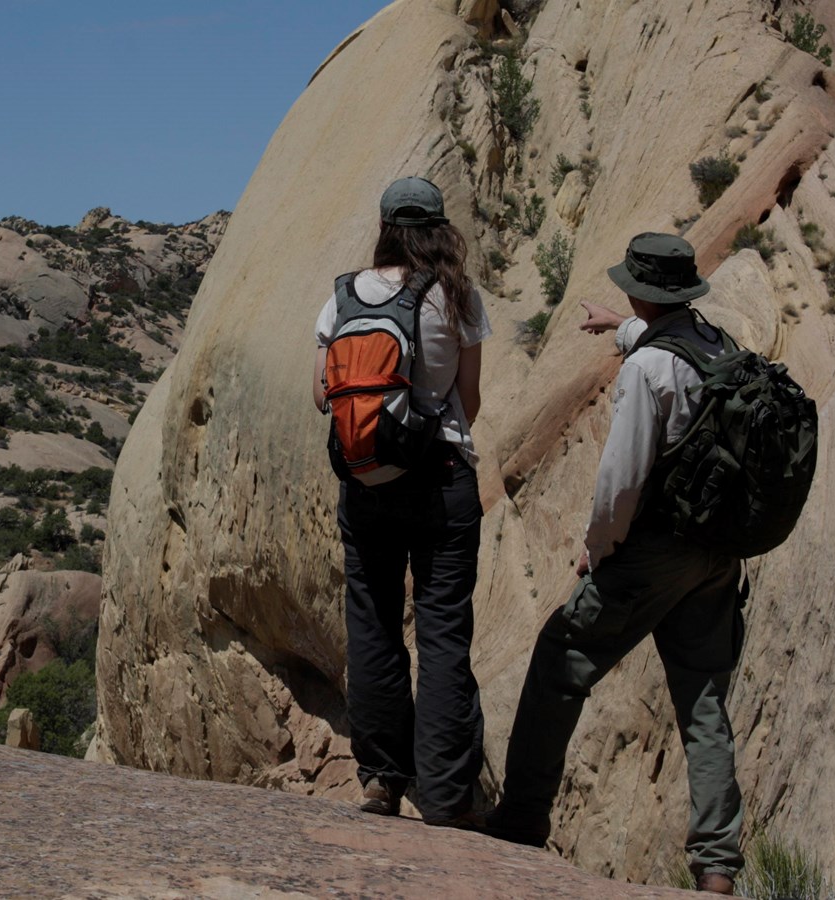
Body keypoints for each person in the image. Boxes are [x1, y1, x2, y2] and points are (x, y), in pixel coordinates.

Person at [482, 233, 745, 895]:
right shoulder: (718, 346)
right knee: (704, 699)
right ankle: (717, 864)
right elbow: (668, 349)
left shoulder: (645, 371)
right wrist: (619, 326)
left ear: (641, 290)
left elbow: (620, 481)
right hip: (715, 553)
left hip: (650, 554)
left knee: (558, 660)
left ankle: (520, 819)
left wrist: (597, 548)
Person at [312, 176, 491, 829]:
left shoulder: (344, 296)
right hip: (441, 479)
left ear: (385, 225)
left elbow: (320, 395)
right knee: (443, 633)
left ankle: (383, 780)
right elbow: (469, 402)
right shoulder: (456, 297)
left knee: (373, 624)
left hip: (365, 484)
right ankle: (445, 798)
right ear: (439, 227)